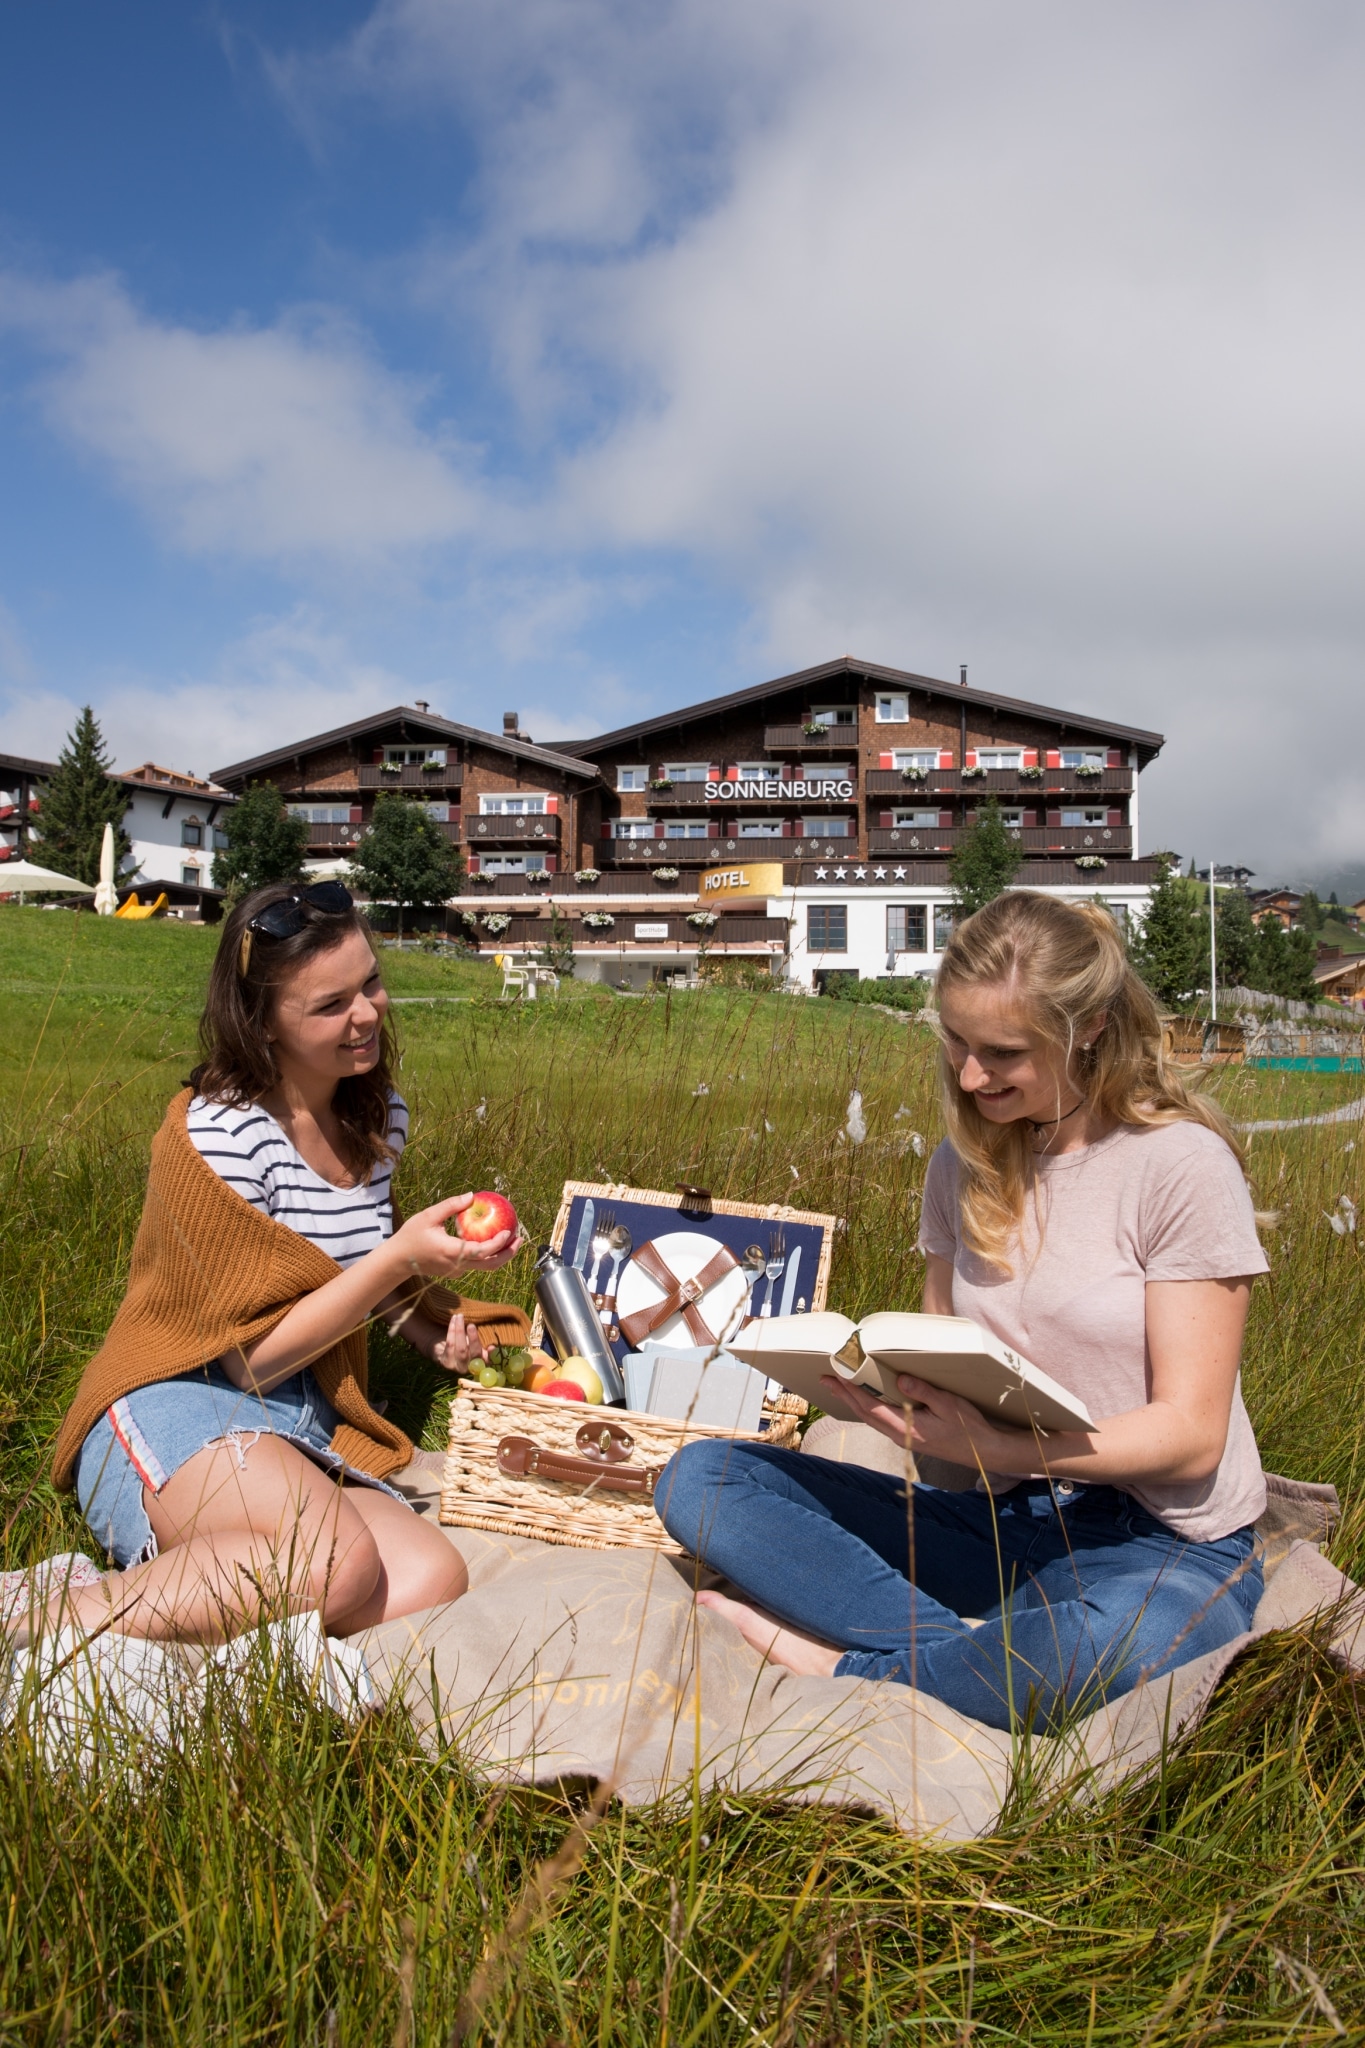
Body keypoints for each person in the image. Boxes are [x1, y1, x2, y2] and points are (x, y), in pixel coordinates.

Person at [658, 891, 1270, 1732]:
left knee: (1128, 1640)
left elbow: (1192, 1435)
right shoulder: (960, 1166)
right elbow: (952, 1436)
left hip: (1161, 1542)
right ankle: (975, 1659)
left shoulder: (1177, 1166)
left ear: (1086, 1026)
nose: (971, 1075)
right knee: (704, 1481)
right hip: (1002, 1514)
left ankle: (849, 1662)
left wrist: (1002, 1446)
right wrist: (898, 1411)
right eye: (955, 1042)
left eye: (1003, 1052)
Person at [19, 881, 527, 1648]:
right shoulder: (219, 1132)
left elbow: (353, 1272)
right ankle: (31, 1625)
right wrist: (399, 1256)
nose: (365, 1016)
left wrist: (430, 1333)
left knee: (429, 1575)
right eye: (329, 1006)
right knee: (331, 1563)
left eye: (370, 984)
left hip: (300, 1423)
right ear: (259, 1022)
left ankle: (199, 1584)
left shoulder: (375, 1112)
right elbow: (247, 1363)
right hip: (180, 1398)